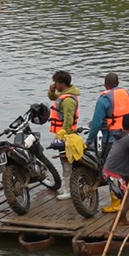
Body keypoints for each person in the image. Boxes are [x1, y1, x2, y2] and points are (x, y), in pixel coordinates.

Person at [85, 72, 129, 211]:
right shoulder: (125, 94)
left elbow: (96, 124)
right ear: (117, 83)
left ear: (106, 84)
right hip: (127, 135)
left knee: (112, 170)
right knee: (128, 166)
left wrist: (89, 140)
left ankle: (116, 203)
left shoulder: (104, 99)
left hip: (111, 138)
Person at [47, 70, 81, 200]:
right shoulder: (64, 95)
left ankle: (68, 190)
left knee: (66, 161)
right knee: (64, 161)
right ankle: (68, 186)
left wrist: (63, 135)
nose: (55, 85)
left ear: (62, 84)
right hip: (63, 134)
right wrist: (51, 91)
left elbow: (68, 119)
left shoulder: (68, 100)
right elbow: (53, 98)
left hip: (66, 135)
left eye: (56, 82)